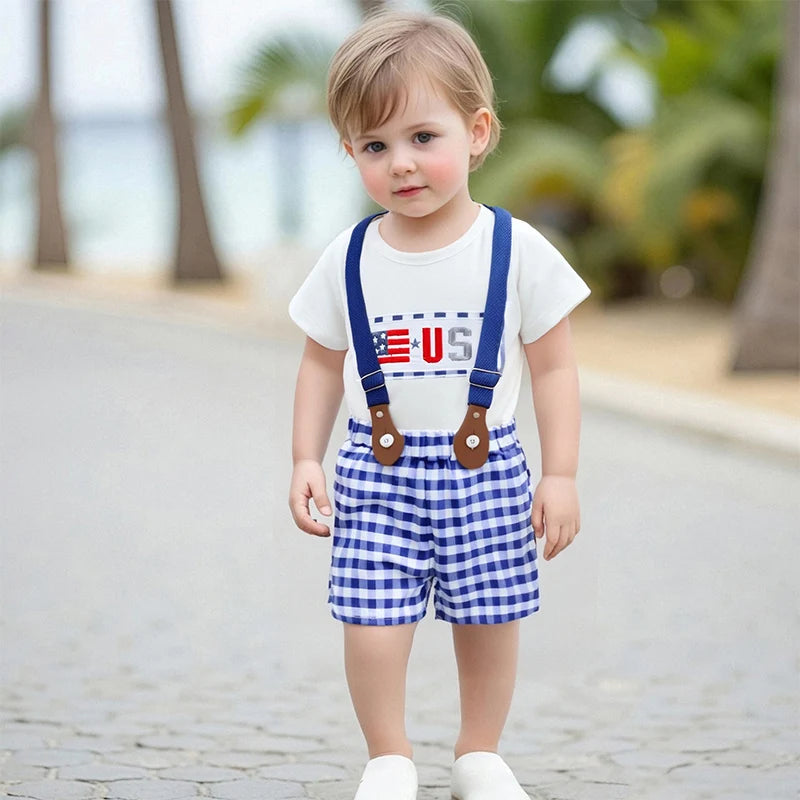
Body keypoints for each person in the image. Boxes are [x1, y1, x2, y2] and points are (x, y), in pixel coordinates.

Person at [288, 10, 590, 800]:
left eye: (424, 137)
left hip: (484, 465)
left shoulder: (514, 248)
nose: (402, 165)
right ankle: (388, 757)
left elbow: (555, 370)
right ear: (350, 152)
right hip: (376, 470)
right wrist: (303, 458)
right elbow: (321, 365)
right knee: (371, 622)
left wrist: (559, 475)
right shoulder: (349, 256)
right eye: (374, 146)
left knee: (489, 618)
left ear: (478, 130)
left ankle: (478, 755)